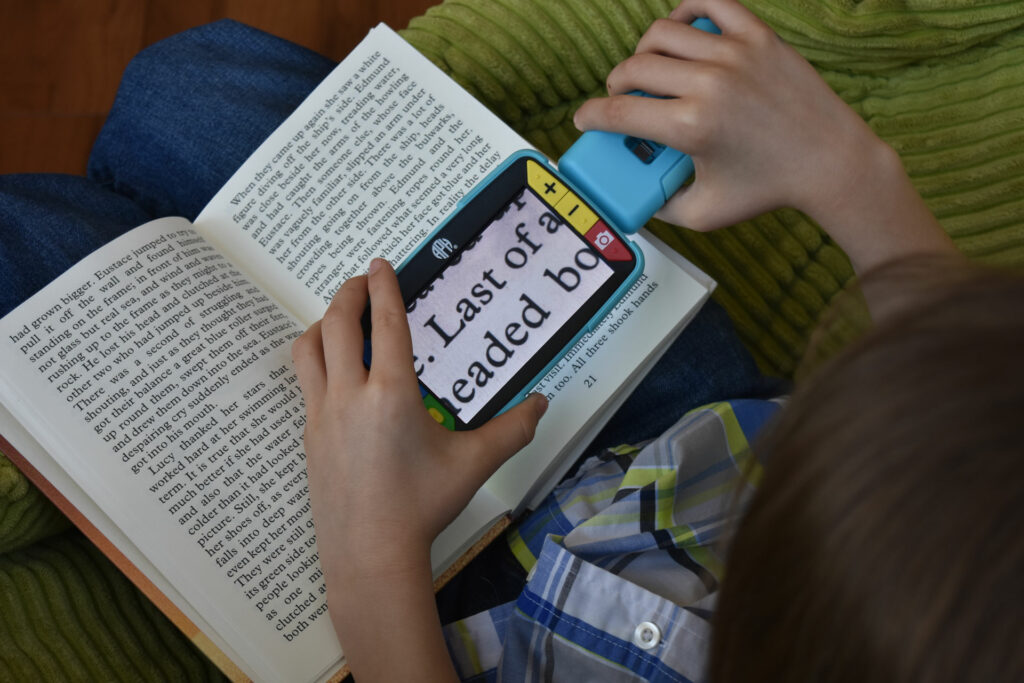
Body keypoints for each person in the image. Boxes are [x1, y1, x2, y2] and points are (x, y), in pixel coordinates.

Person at [293, 0, 1021, 681]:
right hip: (701, 453)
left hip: (440, 608)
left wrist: (370, 563)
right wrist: (853, 175)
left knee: (191, 85)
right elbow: (981, 424)